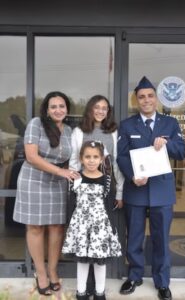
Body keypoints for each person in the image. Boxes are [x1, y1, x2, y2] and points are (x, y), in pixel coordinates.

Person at [117, 76, 185, 300]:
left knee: (161, 239)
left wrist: (167, 144)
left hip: (162, 191)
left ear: (156, 98)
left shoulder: (170, 123)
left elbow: (182, 151)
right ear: (136, 101)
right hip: (136, 189)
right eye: (141, 97)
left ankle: (162, 282)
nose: (146, 100)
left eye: (150, 96)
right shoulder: (127, 125)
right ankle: (135, 276)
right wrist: (132, 175)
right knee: (134, 237)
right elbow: (121, 156)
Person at [13, 91, 80, 296]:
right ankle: (40, 273)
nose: (58, 110)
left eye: (61, 106)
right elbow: (31, 156)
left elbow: (73, 158)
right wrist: (61, 171)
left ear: (67, 109)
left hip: (58, 182)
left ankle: (52, 271)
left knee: (57, 227)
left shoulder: (69, 130)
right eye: (53, 107)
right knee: (35, 227)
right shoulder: (36, 124)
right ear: (47, 110)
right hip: (34, 179)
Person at [69, 94, 124, 295]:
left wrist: (119, 191)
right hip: (83, 191)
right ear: (90, 109)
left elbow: (116, 163)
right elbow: (74, 162)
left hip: (106, 190)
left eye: (105, 108)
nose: (101, 111)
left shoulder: (113, 132)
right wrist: (75, 187)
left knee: (100, 239)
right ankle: (84, 289)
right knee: (84, 239)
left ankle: (98, 290)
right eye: (97, 107)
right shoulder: (79, 131)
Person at [62, 140, 122, 300]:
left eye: (95, 157)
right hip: (81, 226)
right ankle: (81, 292)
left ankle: (99, 293)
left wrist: (112, 228)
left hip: (100, 227)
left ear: (102, 159)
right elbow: (71, 203)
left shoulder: (107, 180)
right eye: (87, 156)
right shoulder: (75, 178)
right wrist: (70, 226)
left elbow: (109, 206)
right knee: (82, 261)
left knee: (99, 261)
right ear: (81, 158)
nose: (91, 160)